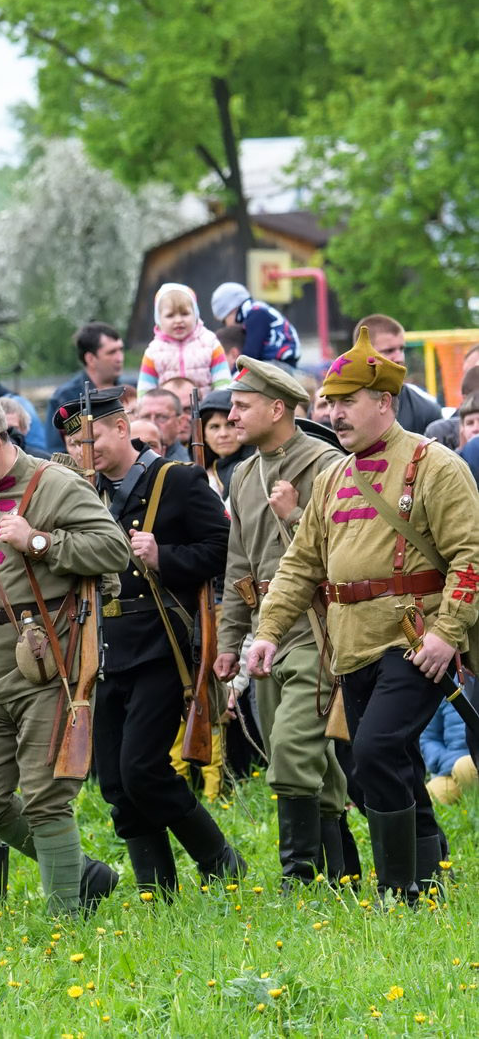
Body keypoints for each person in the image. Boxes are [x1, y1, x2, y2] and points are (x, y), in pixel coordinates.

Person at [248, 326, 479, 904]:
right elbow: (300, 565)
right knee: (379, 759)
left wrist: (448, 633)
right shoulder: (330, 479)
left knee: (375, 751)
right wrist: (267, 633)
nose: (335, 414)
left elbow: (470, 556)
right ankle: (431, 871)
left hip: (413, 642)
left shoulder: (437, 465)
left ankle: (397, 890)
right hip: (349, 647)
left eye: (346, 402)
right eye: (329, 402)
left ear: (384, 401)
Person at [0, 375, 129, 915]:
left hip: (51, 664)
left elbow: (114, 550)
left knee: (46, 797)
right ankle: (82, 873)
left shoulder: (55, 484)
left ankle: (66, 915)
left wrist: (38, 541)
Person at [56, 388, 242, 896]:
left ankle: (220, 860)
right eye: (74, 444)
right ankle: (157, 892)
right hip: (103, 648)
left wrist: (164, 555)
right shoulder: (80, 491)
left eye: (91, 438)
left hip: (162, 646)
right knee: (116, 782)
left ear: (122, 427)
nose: (83, 452)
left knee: (142, 769)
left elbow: (223, 549)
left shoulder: (177, 480)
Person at [217, 358, 352, 888]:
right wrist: (230, 640)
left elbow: (346, 550)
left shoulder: (325, 465)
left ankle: (298, 878)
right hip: (265, 634)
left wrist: (295, 515)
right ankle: (341, 874)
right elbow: (238, 566)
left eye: (242, 406)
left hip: (317, 629)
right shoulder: (244, 474)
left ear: (278, 408)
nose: (231, 416)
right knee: (291, 750)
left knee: (293, 753)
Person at [356, 314, 446, 434]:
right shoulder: (337, 405)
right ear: (362, 354)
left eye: (402, 349)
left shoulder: (426, 408)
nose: (399, 358)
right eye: (389, 351)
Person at [137, 284, 232, 393]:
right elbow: (145, 390)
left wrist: (218, 408)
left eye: (185, 314)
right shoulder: (153, 352)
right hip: (168, 409)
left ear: (195, 315)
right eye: (170, 315)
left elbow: (223, 382)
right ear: (159, 320)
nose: (178, 320)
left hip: (204, 408)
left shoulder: (210, 344)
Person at [46, 323, 126, 451]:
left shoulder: (131, 389)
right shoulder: (64, 398)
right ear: (90, 359)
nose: (119, 358)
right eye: (111, 352)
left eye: (120, 350)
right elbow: (56, 452)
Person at [210, 283, 301, 368]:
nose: (226, 326)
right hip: (277, 364)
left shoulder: (257, 314)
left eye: (224, 321)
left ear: (231, 311)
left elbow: (249, 357)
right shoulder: (256, 310)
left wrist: (228, 376)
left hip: (282, 366)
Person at [197, 389, 254, 501]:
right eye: (214, 427)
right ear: (203, 435)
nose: (223, 434)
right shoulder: (197, 474)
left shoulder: (257, 467)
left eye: (230, 424)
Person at [421, 702, 475, 805]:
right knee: (427, 800)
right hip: (449, 768)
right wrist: (442, 760)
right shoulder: (446, 690)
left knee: (464, 767)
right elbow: (429, 738)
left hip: (472, 765)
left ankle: (473, 813)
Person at [136, 389, 192, 463]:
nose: (152, 424)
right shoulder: (126, 460)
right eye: (145, 417)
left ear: (179, 423)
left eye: (162, 417)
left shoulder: (190, 466)